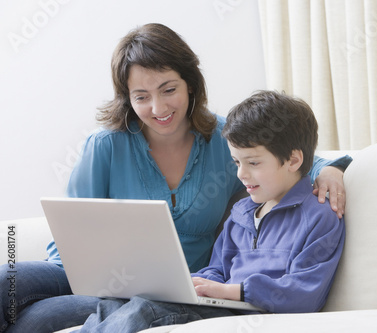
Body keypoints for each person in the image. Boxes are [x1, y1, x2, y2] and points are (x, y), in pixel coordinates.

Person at [0, 24, 351, 333]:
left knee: (36, 319)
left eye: (169, 90)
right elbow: (69, 228)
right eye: (141, 97)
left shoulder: (224, 140)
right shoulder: (107, 145)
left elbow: (287, 156)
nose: (158, 108)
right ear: (128, 98)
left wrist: (329, 169)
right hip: (84, 277)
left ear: (190, 83)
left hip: (173, 290)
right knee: (6, 281)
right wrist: (86, 276)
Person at [76, 90, 346, 332]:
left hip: (252, 312)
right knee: (120, 302)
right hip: (220, 304)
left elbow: (304, 294)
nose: (241, 174)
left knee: (144, 310)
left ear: (293, 160)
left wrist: (231, 291)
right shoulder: (242, 213)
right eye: (236, 162)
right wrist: (189, 283)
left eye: (253, 162)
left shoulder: (318, 216)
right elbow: (216, 268)